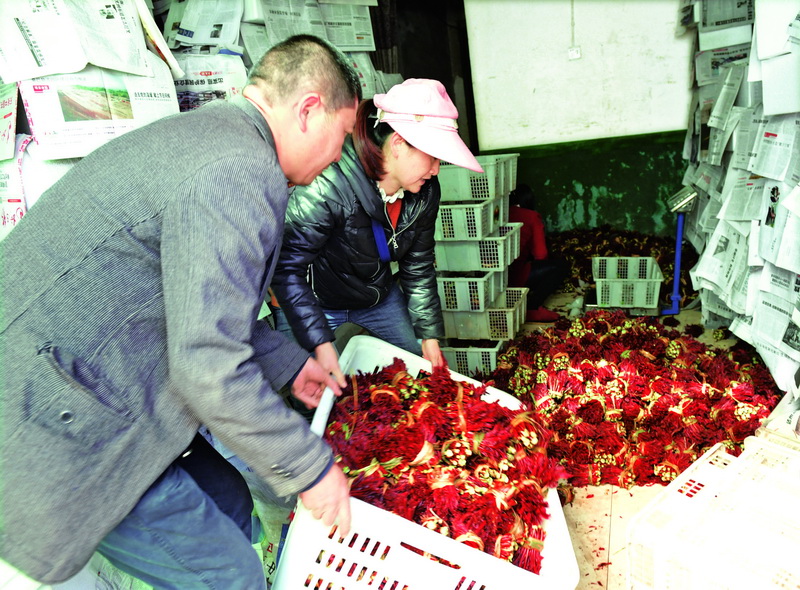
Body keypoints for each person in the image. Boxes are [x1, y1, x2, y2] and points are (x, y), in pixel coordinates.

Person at [0, 35, 361, 589]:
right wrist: (310, 468)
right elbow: (207, 362)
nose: (334, 161)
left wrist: (289, 364)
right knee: (230, 578)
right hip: (66, 417)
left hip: (95, 382)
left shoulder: (213, 139)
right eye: (339, 140)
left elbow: (196, 302)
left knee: (230, 503)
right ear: (308, 109)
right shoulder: (239, 170)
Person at [269, 79, 483, 385]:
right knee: (315, 393)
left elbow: (418, 264)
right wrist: (318, 341)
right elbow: (288, 268)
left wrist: (428, 335)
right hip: (315, 300)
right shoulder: (328, 185)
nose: (436, 170)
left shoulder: (424, 192)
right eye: (432, 157)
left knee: (418, 376)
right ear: (398, 144)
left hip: (376, 296)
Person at [507, 183, 569, 322]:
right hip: (515, 278)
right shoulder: (531, 216)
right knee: (561, 266)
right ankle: (531, 307)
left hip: (491, 282)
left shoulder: (497, 215)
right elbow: (541, 255)